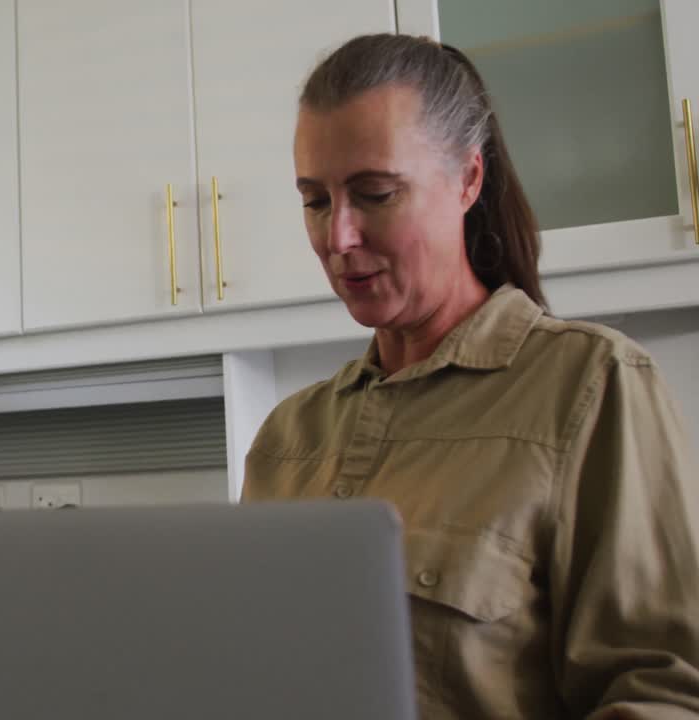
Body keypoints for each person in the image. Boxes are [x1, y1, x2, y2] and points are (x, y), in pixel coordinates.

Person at [244, 33, 699, 718]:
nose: (338, 237)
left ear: (468, 180)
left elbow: (664, 691)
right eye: (315, 201)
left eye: (374, 193)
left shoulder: (592, 385)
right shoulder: (287, 437)